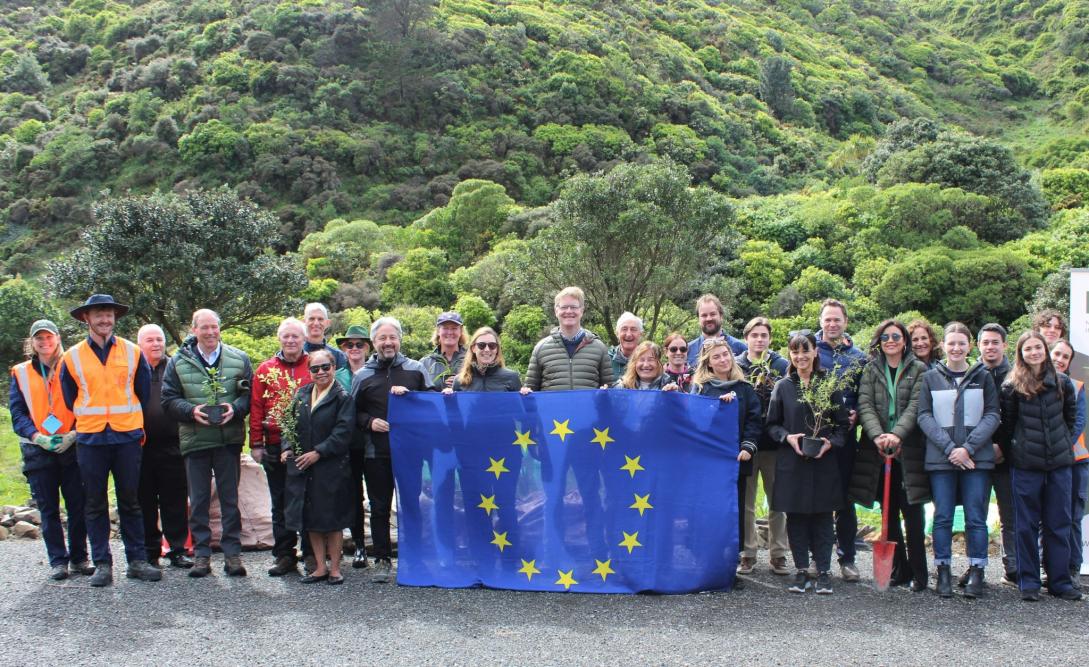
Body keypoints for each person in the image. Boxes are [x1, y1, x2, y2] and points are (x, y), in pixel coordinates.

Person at [59, 294, 160, 586]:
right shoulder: (72, 356)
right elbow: (69, 398)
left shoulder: (132, 352)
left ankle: (137, 561)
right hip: (91, 438)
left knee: (131, 500)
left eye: (109, 315)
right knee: (94, 502)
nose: (105, 320)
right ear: (86, 319)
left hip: (126, 435)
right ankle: (103, 563)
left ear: (115, 318)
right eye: (99, 315)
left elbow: (142, 391)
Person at [161, 309, 252, 578]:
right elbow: (168, 399)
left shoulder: (239, 358)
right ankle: (202, 555)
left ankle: (233, 554)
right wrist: (192, 412)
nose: (210, 332)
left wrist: (235, 409)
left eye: (214, 327)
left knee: (230, 499)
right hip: (195, 440)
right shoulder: (177, 362)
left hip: (228, 440)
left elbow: (250, 397)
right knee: (198, 500)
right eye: (204, 327)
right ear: (193, 330)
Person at [917, 322, 1000, 599]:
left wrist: (968, 449)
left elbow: (992, 415)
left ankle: (977, 571)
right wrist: (951, 448)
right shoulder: (931, 377)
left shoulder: (984, 376)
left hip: (976, 460)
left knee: (976, 517)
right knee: (942, 517)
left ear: (970, 346)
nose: (956, 348)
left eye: (961, 343)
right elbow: (924, 417)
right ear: (943, 345)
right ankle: (943, 571)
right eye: (951, 343)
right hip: (942, 459)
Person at [997, 332, 1082, 601]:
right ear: (1020, 353)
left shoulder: (1063, 382)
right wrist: (1017, 451)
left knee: (1059, 523)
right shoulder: (1011, 386)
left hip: (1059, 464)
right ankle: (1029, 581)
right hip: (1025, 465)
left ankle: (1059, 582)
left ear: (1045, 350)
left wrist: (1061, 444)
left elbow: (1070, 418)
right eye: (1028, 349)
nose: (1034, 352)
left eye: (1038, 347)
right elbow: (1008, 426)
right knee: (1025, 525)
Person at [766, 332, 850, 595]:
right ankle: (801, 569)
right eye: (795, 352)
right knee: (797, 517)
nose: (800, 357)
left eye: (805, 351)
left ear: (815, 352)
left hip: (823, 462)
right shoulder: (783, 386)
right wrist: (787, 437)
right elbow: (772, 425)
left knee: (823, 517)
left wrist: (829, 443)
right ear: (790, 355)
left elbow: (842, 426)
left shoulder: (829, 384)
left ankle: (823, 572)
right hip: (792, 461)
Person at [352, 317, 433, 583]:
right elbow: (352, 413)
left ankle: (415, 556)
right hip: (376, 453)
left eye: (392, 337)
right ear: (373, 343)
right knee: (379, 508)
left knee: (412, 504)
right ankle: (383, 559)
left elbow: (432, 404)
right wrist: (369, 422)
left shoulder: (416, 369)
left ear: (400, 339)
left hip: (410, 451)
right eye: (382, 338)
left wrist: (411, 396)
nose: (388, 343)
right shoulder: (362, 374)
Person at [850, 320, 929, 592]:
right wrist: (878, 436)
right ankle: (899, 570)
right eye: (885, 337)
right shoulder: (871, 369)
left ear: (905, 340)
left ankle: (920, 574)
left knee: (913, 513)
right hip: (880, 453)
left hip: (909, 452)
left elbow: (918, 405)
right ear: (879, 341)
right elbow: (865, 404)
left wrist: (897, 434)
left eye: (896, 336)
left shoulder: (919, 369)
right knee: (888, 513)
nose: (891, 341)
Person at [9, 319, 91, 581]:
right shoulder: (20, 372)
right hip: (38, 450)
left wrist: (75, 432)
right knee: (48, 508)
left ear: (57, 338)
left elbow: (87, 401)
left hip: (72, 446)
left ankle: (80, 557)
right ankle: (58, 560)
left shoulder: (74, 365)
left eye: (49, 337)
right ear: (31, 343)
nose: (44, 343)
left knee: (78, 505)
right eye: (39, 339)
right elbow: (18, 413)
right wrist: (36, 436)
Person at [282, 349, 355, 585]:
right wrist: (287, 448)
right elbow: (289, 423)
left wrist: (319, 452)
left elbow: (343, 433)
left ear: (334, 368)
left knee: (332, 518)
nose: (321, 372)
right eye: (315, 368)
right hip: (305, 466)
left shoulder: (343, 397)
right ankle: (320, 567)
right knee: (311, 517)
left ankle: (335, 568)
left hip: (331, 466)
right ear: (309, 371)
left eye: (326, 367)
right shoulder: (302, 394)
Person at [690, 338, 762, 574]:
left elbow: (754, 420)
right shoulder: (701, 390)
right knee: (708, 511)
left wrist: (748, 446)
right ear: (708, 363)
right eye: (716, 357)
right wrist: (716, 407)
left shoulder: (744, 388)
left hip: (735, 463)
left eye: (725, 354)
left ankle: (729, 565)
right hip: (709, 464)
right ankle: (704, 564)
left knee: (734, 512)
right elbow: (695, 423)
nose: (723, 359)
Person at [250, 317, 312, 577]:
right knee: (280, 501)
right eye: (286, 336)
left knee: (309, 500)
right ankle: (285, 554)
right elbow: (256, 407)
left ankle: (311, 553)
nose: (290, 340)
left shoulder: (314, 365)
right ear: (279, 338)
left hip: (307, 445)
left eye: (295, 336)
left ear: (304, 338)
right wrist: (256, 443)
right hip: (275, 445)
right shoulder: (265, 369)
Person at [814, 298, 866, 582]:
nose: (832, 324)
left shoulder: (859, 358)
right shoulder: (810, 350)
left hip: (846, 438)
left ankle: (847, 559)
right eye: (827, 319)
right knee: (818, 499)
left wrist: (858, 411)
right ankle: (817, 558)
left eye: (837, 319)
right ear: (821, 321)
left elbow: (864, 394)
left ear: (845, 322)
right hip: (817, 437)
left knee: (845, 501)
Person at [735, 316, 790, 576]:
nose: (759, 339)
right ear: (746, 338)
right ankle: (747, 553)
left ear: (769, 338)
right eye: (754, 335)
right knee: (746, 502)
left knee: (777, 499)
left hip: (774, 444)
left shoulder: (781, 365)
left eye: (764, 335)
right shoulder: (737, 366)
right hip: (745, 445)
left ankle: (778, 553)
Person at [965, 323, 1017, 588]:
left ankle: (1013, 569)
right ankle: (976, 566)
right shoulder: (971, 374)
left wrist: (1002, 447)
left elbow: (1016, 419)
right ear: (978, 346)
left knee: (1011, 515)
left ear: (1005, 345)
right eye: (985, 342)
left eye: (995, 342)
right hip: (977, 455)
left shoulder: (1016, 375)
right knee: (976, 515)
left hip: (1008, 458)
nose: (990, 347)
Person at [136, 323, 191, 570]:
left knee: (175, 500)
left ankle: (178, 550)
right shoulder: (133, 369)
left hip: (173, 444)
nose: (156, 344)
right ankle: (150, 551)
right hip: (140, 446)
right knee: (144, 500)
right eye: (150, 340)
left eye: (159, 339)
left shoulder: (176, 367)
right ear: (140, 344)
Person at [1050, 338, 1089, 589]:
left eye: (1066, 357)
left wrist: (1059, 450)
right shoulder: (1033, 384)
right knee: (1049, 518)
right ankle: (1050, 568)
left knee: (1073, 517)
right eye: (1057, 354)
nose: (1060, 360)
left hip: (1074, 461)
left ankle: (1073, 567)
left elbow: (1078, 423)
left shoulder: (1077, 386)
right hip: (1045, 463)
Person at [524, 287, 612, 392]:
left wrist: (606, 390)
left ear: (582, 310)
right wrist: (526, 391)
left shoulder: (599, 348)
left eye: (574, 307)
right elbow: (530, 391)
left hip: (587, 409)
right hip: (552, 409)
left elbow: (610, 390)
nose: (569, 311)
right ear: (556, 311)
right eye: (564, 307)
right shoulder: (541, 348)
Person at [335, 324, 372, 569]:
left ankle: (380, 547)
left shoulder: (375, 372)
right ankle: (359, 544)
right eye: (350, 345)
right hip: (347, 445)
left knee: (379, 497)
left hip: (374, 442)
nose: (355, 348)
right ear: (343, 348)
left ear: (368, 348)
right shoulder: (336, 375)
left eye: (360, 344)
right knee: (352, 495)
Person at [447, 327, 522, 392]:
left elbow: (522, 407)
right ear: (473, 348)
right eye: (481, 345)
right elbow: (454, 408)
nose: (487, 349)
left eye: (492, 345)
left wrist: (528, 396)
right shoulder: (459, 381)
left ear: (497, 349)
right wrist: (446, 399)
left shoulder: (512, 377)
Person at [686, 294, 746, 368]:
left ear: (721, 316)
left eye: (713, 314)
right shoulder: (687, 350)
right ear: (698, 318)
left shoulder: (740, 348)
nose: (709, 318)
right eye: (704, 315)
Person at [420, 311, 467, 390]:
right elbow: (415, 391)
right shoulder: (424, 363)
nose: (449, 332)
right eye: (445, 328)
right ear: (438, 331)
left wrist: (461, 384)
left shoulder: (472, 361)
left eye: (454, 328)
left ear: (461, 331)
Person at [303, 302, 348, 370]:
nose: (316, 323)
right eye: (311, 319)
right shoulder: (296, 354)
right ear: (304, 322)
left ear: (327, 323)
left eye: (320, 319)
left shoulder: (338, 356)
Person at [608, 312, 644, 380]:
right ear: (617, 334)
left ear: (641, 334)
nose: (628, 334)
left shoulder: (649, 361)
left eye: (633, 329)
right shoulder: (605, 359)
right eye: (624, 329)